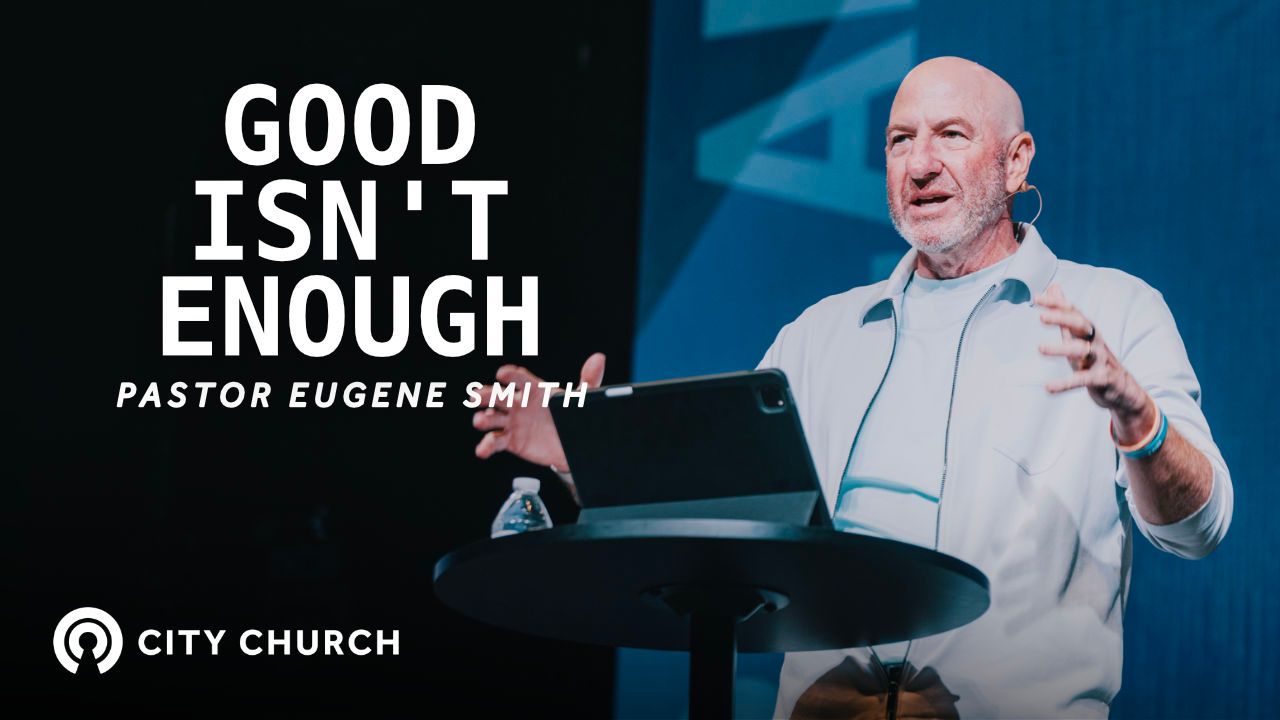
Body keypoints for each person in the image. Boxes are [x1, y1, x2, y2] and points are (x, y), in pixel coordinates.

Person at [469, 57, 1233, 718]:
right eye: (901, 141)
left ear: (1016, 161)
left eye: (951, 136)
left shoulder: (1114, 309)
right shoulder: (819, 337)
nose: (921, 164)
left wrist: (1140, 423)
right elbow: (727, 520)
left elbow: (1198, 527)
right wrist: (582, 455)